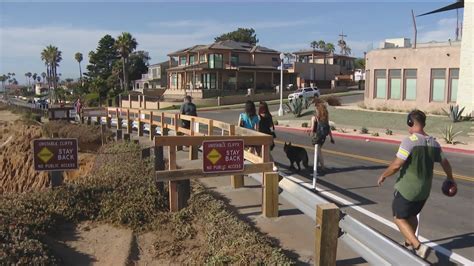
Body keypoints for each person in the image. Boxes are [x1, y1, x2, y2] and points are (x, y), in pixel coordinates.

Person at [377, 110, 455, 259]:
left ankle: (419, 247)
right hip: (424, 191)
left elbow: (396, 165)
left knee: (399, 217)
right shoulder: (434, 143)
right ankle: (408, 243)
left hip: (408, 189)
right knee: (411, 215)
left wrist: (384, 175)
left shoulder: (409, 141)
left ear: (410, 122)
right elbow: (445, 163)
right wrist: (451, 179)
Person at [309, 98, 335, 172]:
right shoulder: (325, 114)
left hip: (317, 135)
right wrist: (331, 137)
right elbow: (328, 126)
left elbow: (312, 127)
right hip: (323, 135)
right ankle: (316, 166)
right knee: (317, 150)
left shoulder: (315, 116)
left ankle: (323, 167)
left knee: (318, 151)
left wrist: (310, 131)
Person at [258, 101, 277, 171]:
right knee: (267, 152)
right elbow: (271, 126)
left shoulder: (258, 117)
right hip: (268, 135)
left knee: (263, 152)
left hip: (260, 135)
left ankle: (272, 166)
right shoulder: (269, 116)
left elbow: (257, 127)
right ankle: (272, 165)